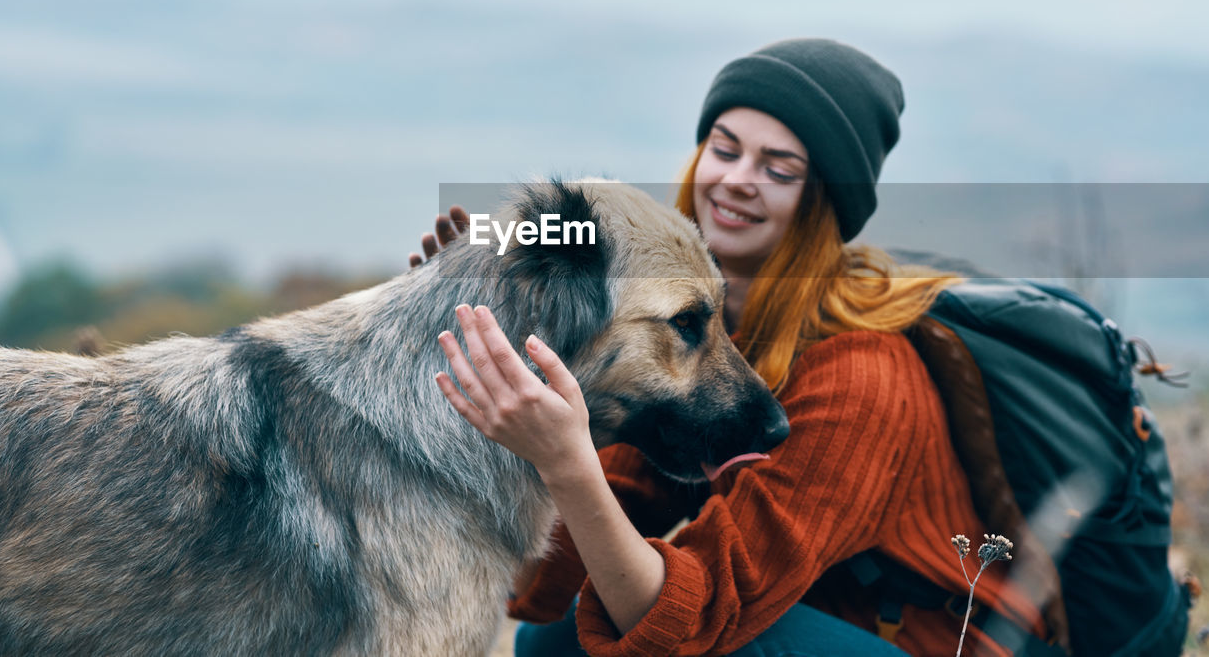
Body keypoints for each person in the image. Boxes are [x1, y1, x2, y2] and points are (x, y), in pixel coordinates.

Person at [424, 39, 1049, 656]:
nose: (738, 180)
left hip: (936, 646)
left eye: (779, 169)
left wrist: (565, 462)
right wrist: (486, 332)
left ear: (823, 203)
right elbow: (542, 578)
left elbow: (694, 622)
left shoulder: (864, 379)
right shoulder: (688, 337)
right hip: (813, 626)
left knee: (686, 637)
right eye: (724, 149)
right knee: (555, 636)